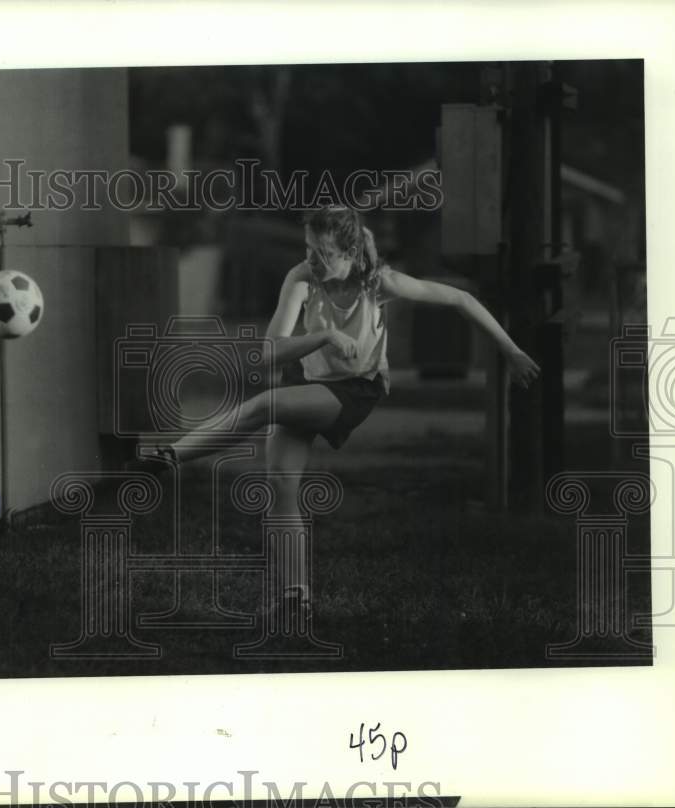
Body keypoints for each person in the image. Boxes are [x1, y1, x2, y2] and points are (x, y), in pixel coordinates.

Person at [134, 205, 541, 620]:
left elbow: (460, 298)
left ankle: (170, 456)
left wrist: (511, 351)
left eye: (323, 253)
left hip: (356, 389)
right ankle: (296, 595)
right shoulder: (302, 277)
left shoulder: (379, 282)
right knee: (280, 483)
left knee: (265, 406)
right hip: (306, 380)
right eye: (308, 249)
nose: (312, 259)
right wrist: (324, 334)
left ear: (349, 253)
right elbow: (269, 353)